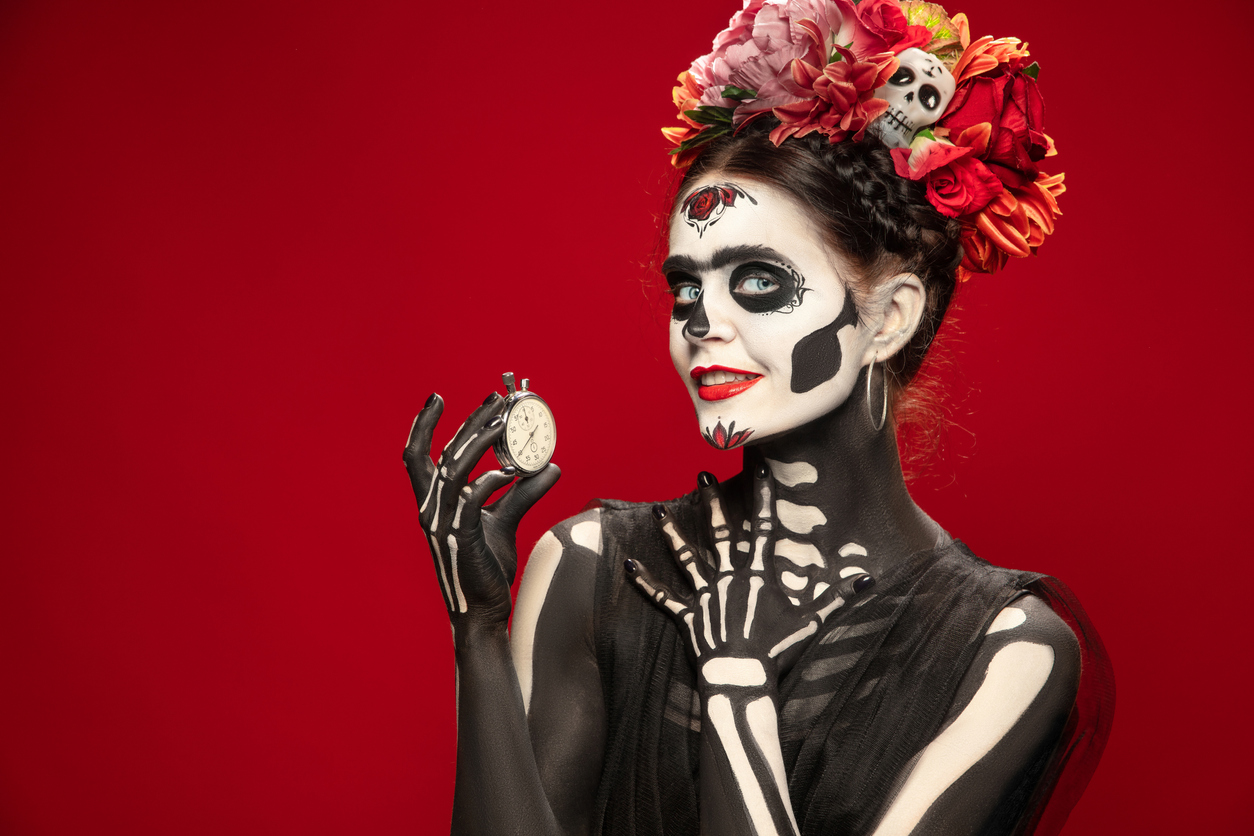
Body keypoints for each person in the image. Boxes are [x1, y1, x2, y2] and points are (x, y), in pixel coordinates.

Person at [403, 1, 1113, 834]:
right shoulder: (593, 568)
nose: (703, 320)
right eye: (685, 288)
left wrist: (735, 689)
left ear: (887, 319)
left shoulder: (1010, 650)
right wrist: (479, 633)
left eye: (759, 283)